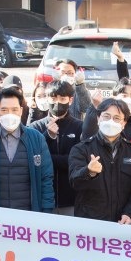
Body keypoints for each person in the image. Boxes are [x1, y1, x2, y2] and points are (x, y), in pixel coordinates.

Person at [0, 87, 55, 214]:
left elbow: (46, 178)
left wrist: (47, 210)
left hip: (28, 213)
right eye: (4, 110)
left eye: (14, 109)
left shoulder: (36, 138)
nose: (10, 114)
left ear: (21, 111)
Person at [68, 98, 131, 224]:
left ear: (124, 123)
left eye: (117, 118)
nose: (111, 121)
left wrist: (129, 213)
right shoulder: (81, 149)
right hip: (90, 222)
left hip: (122, 223)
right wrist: (89, 172)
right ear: (98, 119)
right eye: (106, 116)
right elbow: (74, 182)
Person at [31, 80, 83, 215]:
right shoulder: (36, 127)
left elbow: (76, 160)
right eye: (53, 98)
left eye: (62, 99)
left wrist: (49, 158)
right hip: (43, 197)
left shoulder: (79, 127)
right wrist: (48, 136)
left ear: (70, 100)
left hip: (71, 198)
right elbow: (34, 158)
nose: (57, 103)